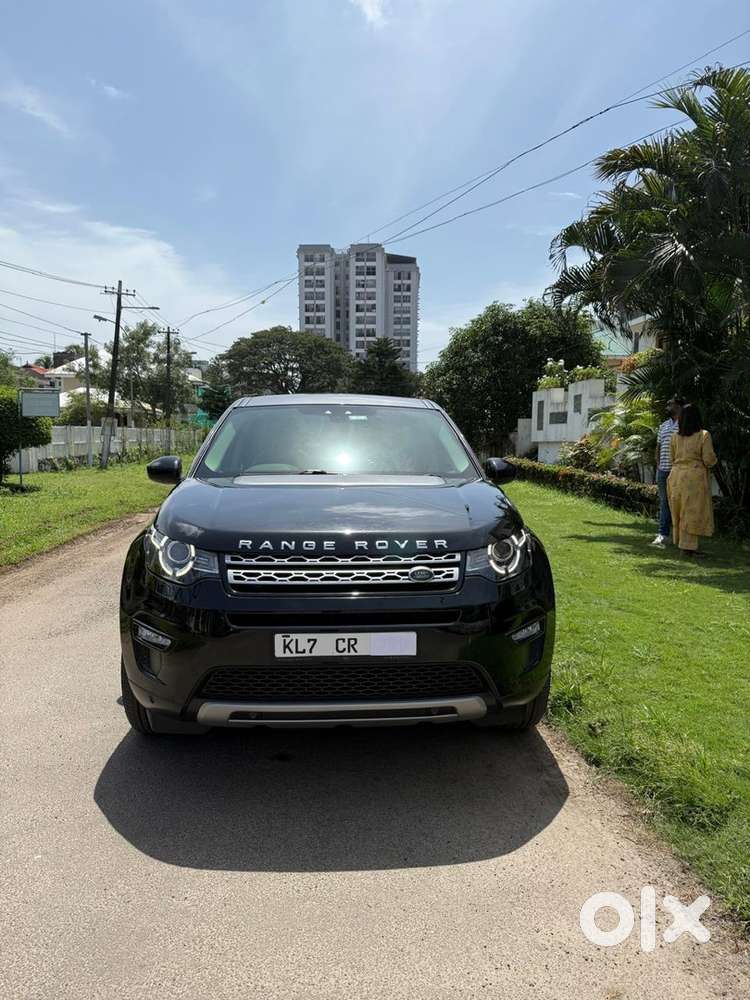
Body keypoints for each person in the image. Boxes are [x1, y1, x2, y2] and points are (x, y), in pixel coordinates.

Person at [667, 404, 717, 558]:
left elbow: (671, 458)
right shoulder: (703, 435)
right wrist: (714, 462)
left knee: (678, 510)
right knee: (692, 512)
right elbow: (708, 459)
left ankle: (683, 544)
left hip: (675, 476)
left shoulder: (675, 437)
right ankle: (688, 548)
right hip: (694, 477)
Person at [651, 396, 684, 547]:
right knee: (665, 502)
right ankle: (663, 534)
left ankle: (682, 536)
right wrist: (658, 464)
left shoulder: (685, 424)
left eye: (670, 404)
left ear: (678, 406)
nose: (667, 406)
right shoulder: (664, 425)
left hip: (678, 470)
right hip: (663, 470)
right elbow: (658, 446)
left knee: (680, 503)